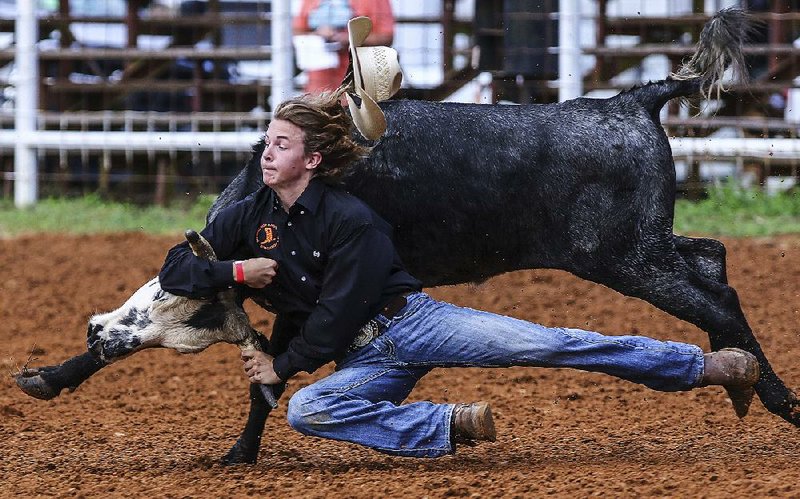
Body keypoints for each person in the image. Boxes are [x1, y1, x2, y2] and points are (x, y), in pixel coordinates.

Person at [157, 85, 760, 457]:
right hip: (366, 363)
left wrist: (281, 364)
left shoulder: (352, 217)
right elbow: (177, 266)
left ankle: (706, 366)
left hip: (414, 326)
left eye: (281, 144)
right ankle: (448, 424)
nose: (266, 152)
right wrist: (235, 272)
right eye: (266, 140)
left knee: (554, 345)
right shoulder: (249, 215)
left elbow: (336, 315)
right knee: (306, 412)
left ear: (312, 160)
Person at [293, 0, 394, 93]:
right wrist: (318, 35)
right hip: (319, 88)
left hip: (359, 86)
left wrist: (350, 39)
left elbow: (386, 37)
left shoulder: (375, 2)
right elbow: (298, 31)